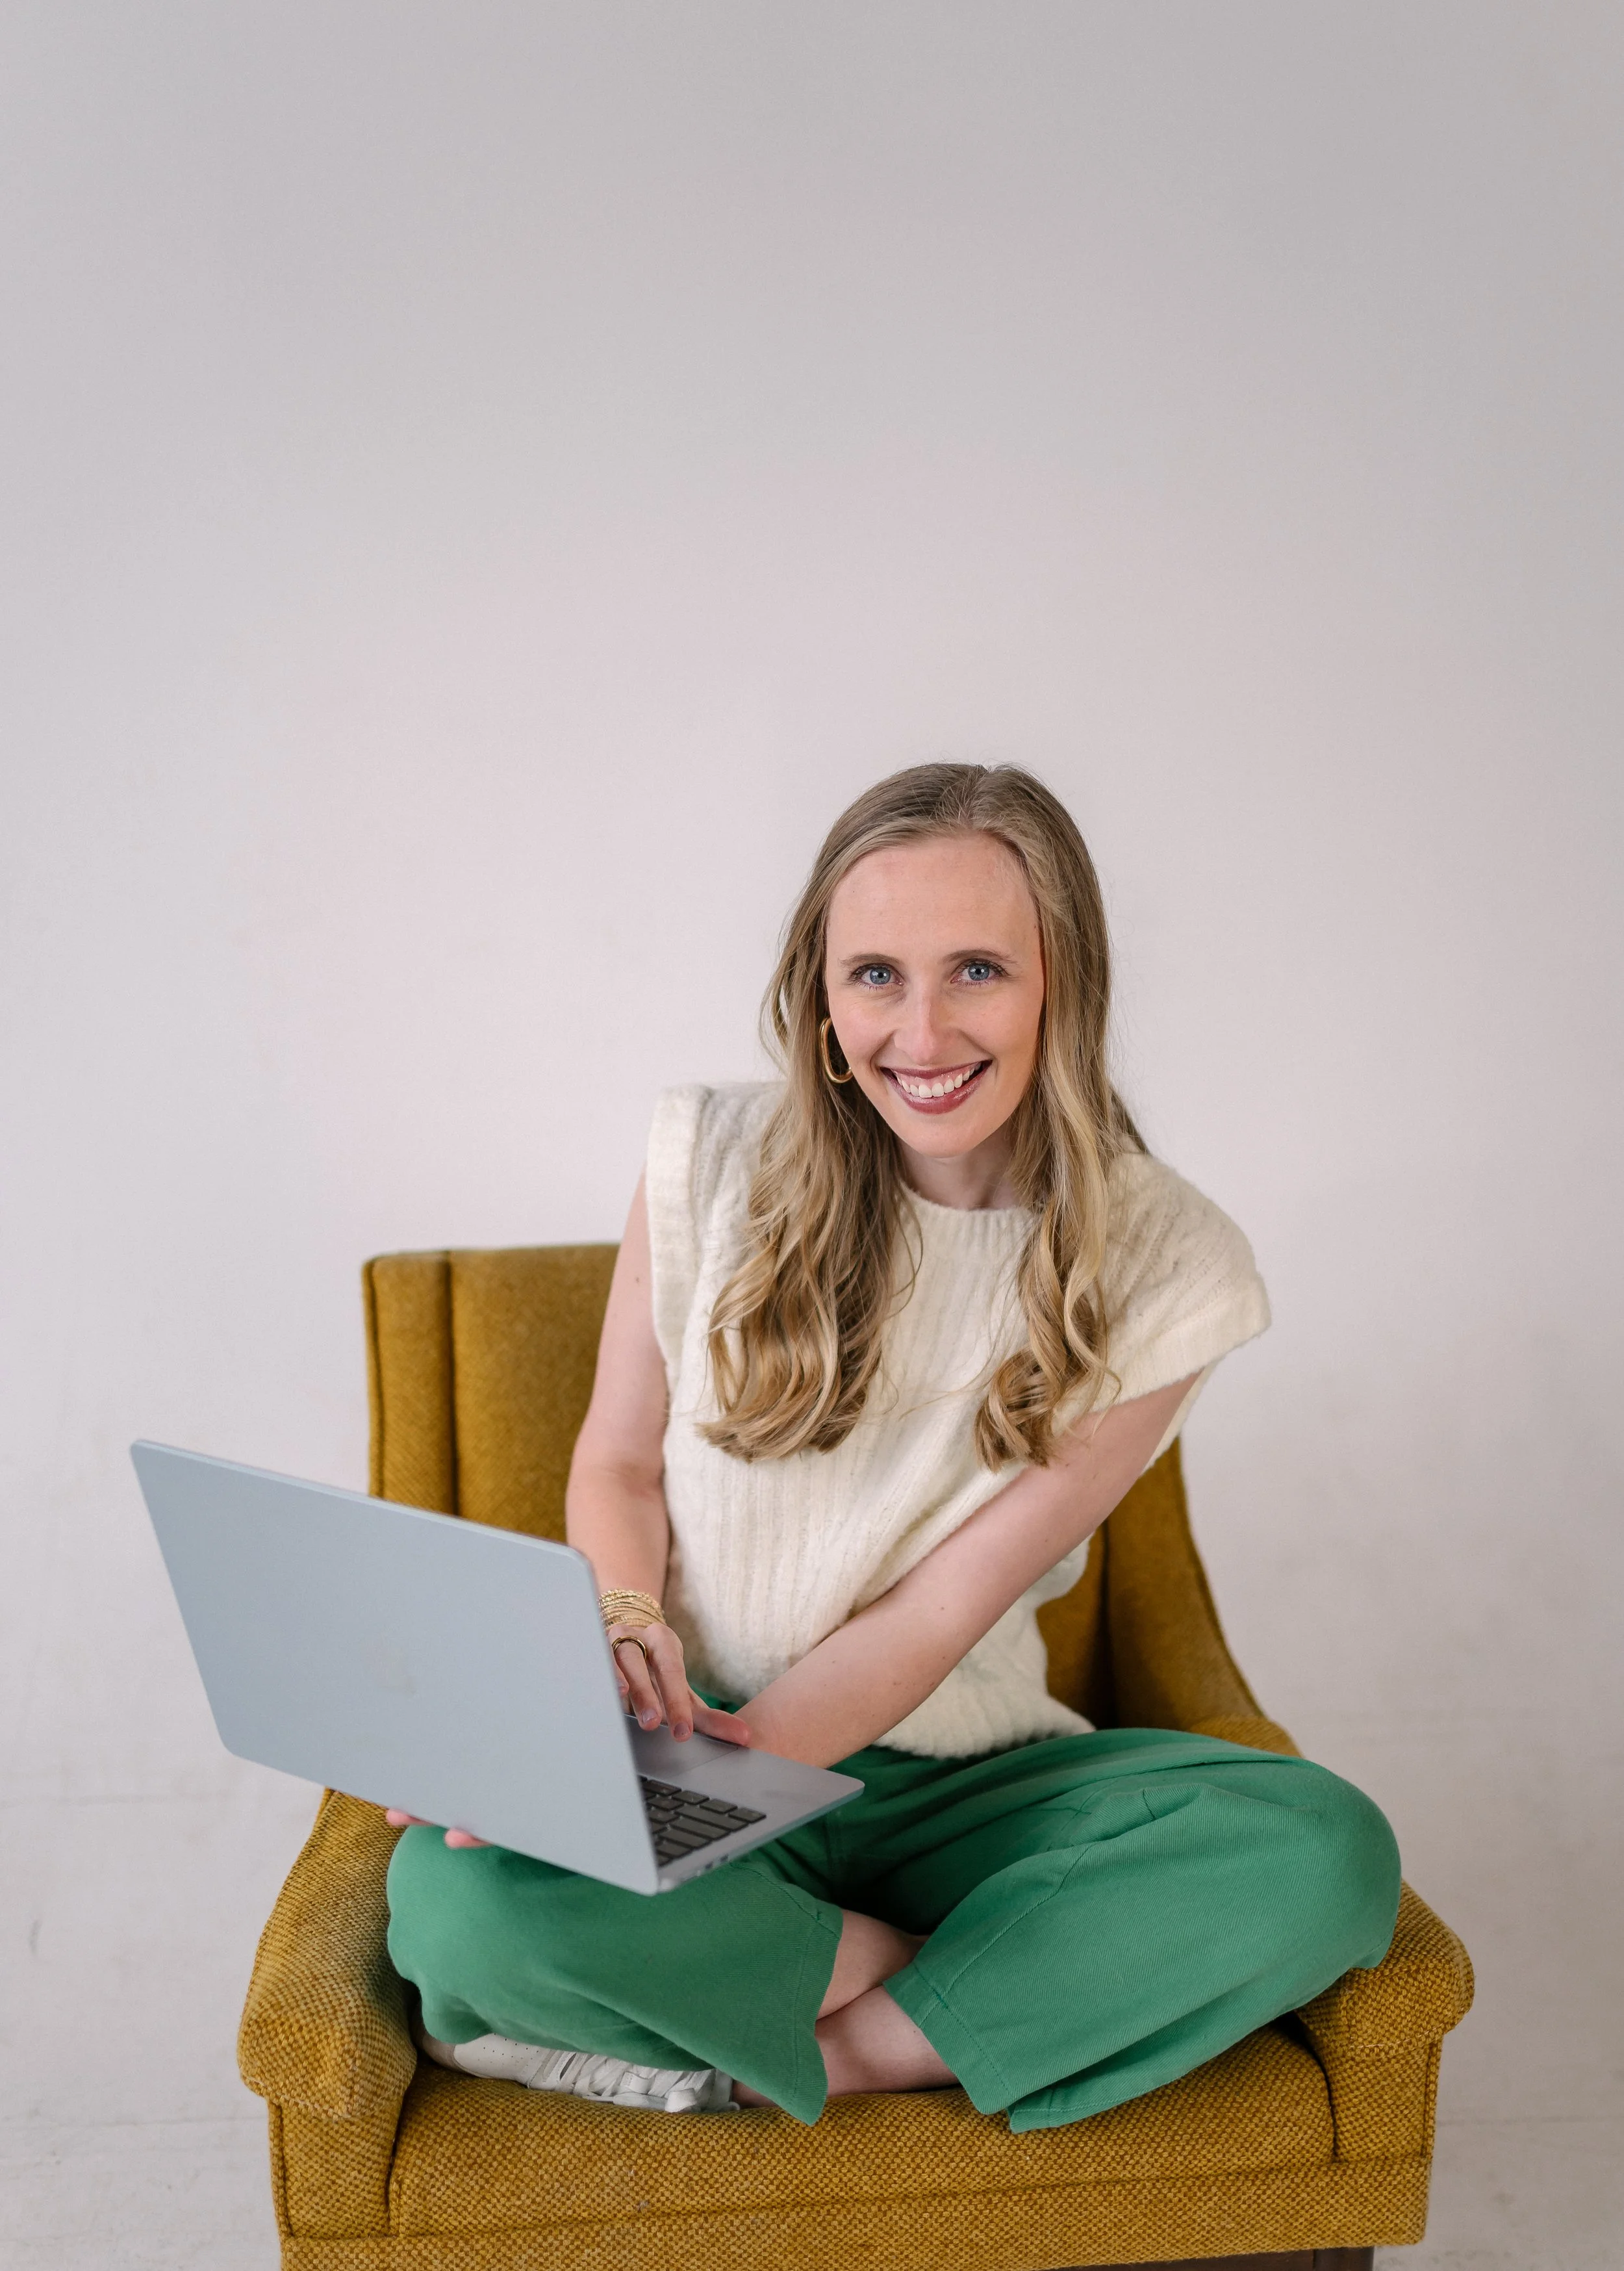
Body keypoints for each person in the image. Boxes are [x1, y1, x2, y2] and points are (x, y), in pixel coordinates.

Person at [383, 762, 1400, 2127]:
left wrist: (707, 1786)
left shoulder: (1169, 1263)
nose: (919, 1031)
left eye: (974, 968)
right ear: (819, 997)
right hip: (688, 1737)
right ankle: (958, 1986)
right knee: (450, 1899)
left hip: (958, 1789)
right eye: (872, 974)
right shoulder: (704, 1157)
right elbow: (616, 1464)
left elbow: (935, 1614)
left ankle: (830, 2047)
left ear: (1062, 984)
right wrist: (629, 1655)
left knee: (1321, 1851)